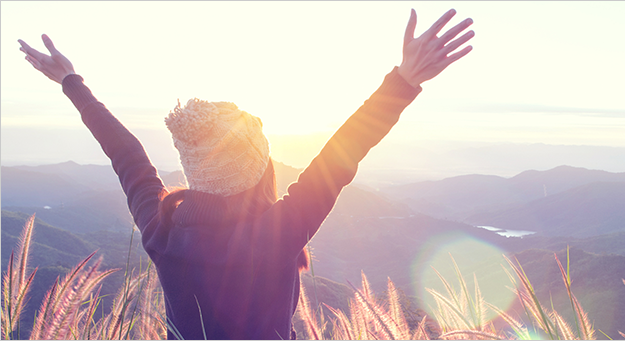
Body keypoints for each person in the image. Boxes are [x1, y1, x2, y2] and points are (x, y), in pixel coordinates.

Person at [18, 8, 473, 340]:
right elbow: (344, 152)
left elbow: (126, 156)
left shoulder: (160, 230)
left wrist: (71, 83)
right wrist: (405, 81)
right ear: (261, 169)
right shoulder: (278, 232)